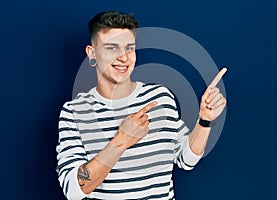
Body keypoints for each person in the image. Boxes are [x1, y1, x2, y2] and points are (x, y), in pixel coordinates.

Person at [56, 11, 227, 200]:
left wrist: (204, 121)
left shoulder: (160, 98)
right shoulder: (75, 112)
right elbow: (73, 190)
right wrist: (121, 141)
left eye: (129, 48)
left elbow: (186, 160)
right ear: (92, 53)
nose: (123, 58)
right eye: (112, 48)